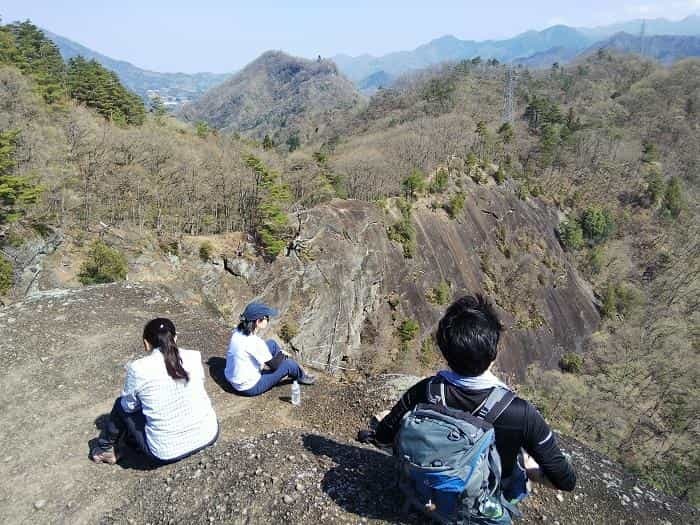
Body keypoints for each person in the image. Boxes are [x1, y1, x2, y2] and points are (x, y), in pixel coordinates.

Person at [358, 294, 576, 506]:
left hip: (428, 489)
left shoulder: (425, 390)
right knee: (522, 467)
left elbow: (383, 439)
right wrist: (531, 470)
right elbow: (565, 480)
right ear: (494, 352)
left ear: (445, 350)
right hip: (482, 500)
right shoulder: (521, 413)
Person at [90, 318, 219, 465]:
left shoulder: (138, 369)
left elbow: (128, 407)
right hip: (208, 435)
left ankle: (105, 450)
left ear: (146, 343)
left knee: (120, 404)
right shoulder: (194, 356)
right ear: (175, 338)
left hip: (166, 452)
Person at [224, 301, 315, 396]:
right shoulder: (255, 342)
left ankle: (289, 367)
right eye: (267, 318)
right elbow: (274, 365)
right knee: (289, 364)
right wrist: (282, 354)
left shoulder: (237, 332)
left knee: (271, 344)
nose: (268, 320)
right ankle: (302, 376)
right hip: (249, 387)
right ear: (258, 321)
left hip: (233, 379)